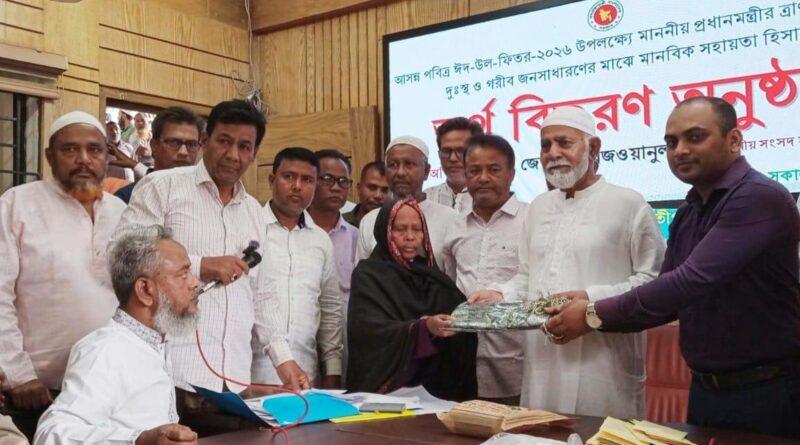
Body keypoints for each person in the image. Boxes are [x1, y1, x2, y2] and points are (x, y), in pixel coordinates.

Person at [543, 97, 800, 438]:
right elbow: (666, 300)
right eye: (671, 142)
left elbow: (689, 281)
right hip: (708, 391)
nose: (679, 150)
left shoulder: (758, 196)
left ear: (734, 140)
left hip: (769, 390)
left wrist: (592, 313)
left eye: (695, 137)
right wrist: (588, 305)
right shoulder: (689, 211)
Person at [115, 100, 308, 432]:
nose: (233, 154)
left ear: (254, 153)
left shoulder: (252, 211)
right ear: (205, 139)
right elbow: (123, 254)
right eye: (224, 141)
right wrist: (201, 266)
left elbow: (261, 293)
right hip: (171, 380)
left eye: (244, 146)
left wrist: (283, 358)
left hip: (233, 386)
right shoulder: (163, 187)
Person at [469, 106, 665, 419]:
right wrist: (500, 295)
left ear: (594, 147)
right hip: (544, 364)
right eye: (545, 145)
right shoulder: (538, 207)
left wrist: (592, 301)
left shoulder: (628, 203)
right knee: (541, 434)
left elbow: (654, 281)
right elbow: (527, 276)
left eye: (564, 142)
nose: (552, 153)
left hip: (603, 364)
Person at [0, 111, 125, 439]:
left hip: (110, 389)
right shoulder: (17, 205)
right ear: (49, 156)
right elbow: (0, 295)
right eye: (70, 150)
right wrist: (18, 374)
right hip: (36, 394)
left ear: (107, 156)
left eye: (94, 150)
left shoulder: (122, 213)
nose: (84, 159)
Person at [34, 226, 199, 445]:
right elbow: (51, 434)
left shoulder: (152, 343)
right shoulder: (105, 351)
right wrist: (138, 440)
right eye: (183, 273)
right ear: (145, 290)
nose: (195, 282)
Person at [347, 198, 477, 401]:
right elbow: (369, 333)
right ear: (385, 231)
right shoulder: (368, 275)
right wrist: (423, 329)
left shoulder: (433, 277)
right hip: (386, 398)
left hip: (433, 396)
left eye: (417, 229)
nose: (410, 237)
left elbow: (460, 324)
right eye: (400, 229)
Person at [441, 134, 525, 406]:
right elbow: (449, 285)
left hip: (518, 369)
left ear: (511, 173)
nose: (483, 178)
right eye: (474, 171)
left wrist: (501, 294)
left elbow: (540, 281)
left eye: (494, 169)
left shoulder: (533, 219)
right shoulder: (454, 226)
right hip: (462, 370)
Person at [253, 147, 343, 389]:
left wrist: (333, 370)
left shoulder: (320, 240)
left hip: (306, 377)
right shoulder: (250, 228)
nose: (297, 186)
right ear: (272, 180)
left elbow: (330, 308)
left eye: (307, 180)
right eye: (289, 176)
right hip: (250, 376)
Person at [356, 136, 457, 269]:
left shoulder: (450, 219)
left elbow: (452, 282)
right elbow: (364, 277)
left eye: (409, 164)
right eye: (393, 165)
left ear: (426, 171)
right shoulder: (370, 220)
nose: (400, 172)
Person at [115, 107, 203, 204]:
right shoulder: (127, 198)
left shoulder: (207, 198)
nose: (184, 152)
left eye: (192, 144)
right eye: (174, 143)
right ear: (154, 146)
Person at [424, 117, 484, 214]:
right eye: (446, 151)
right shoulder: (426, 199)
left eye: (460, 151)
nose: (452, 158)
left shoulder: (492, 200)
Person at [342, 161, 390, 228]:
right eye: (372, 188)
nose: (378, 195)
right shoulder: (340, 224)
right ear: (359, 189)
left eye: (385, 190)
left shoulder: (398, 227)